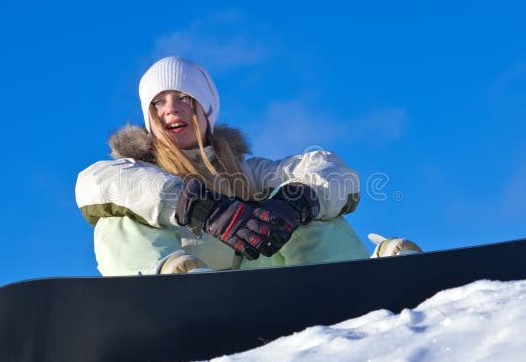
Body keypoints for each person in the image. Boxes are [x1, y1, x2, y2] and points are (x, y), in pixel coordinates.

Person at [76, 56, 419, 276]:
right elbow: (93, 183)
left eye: (184, 98)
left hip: (252, 279)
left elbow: (330, 170)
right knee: (118, 217)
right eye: (159, 103)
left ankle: (355, 277)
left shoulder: (243, 172)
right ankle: (173, 285)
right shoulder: (134, 169)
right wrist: (198, 207)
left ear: (205, 110)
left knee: (307, 204)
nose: (171, 109)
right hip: (178, 283)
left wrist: (297, 202)